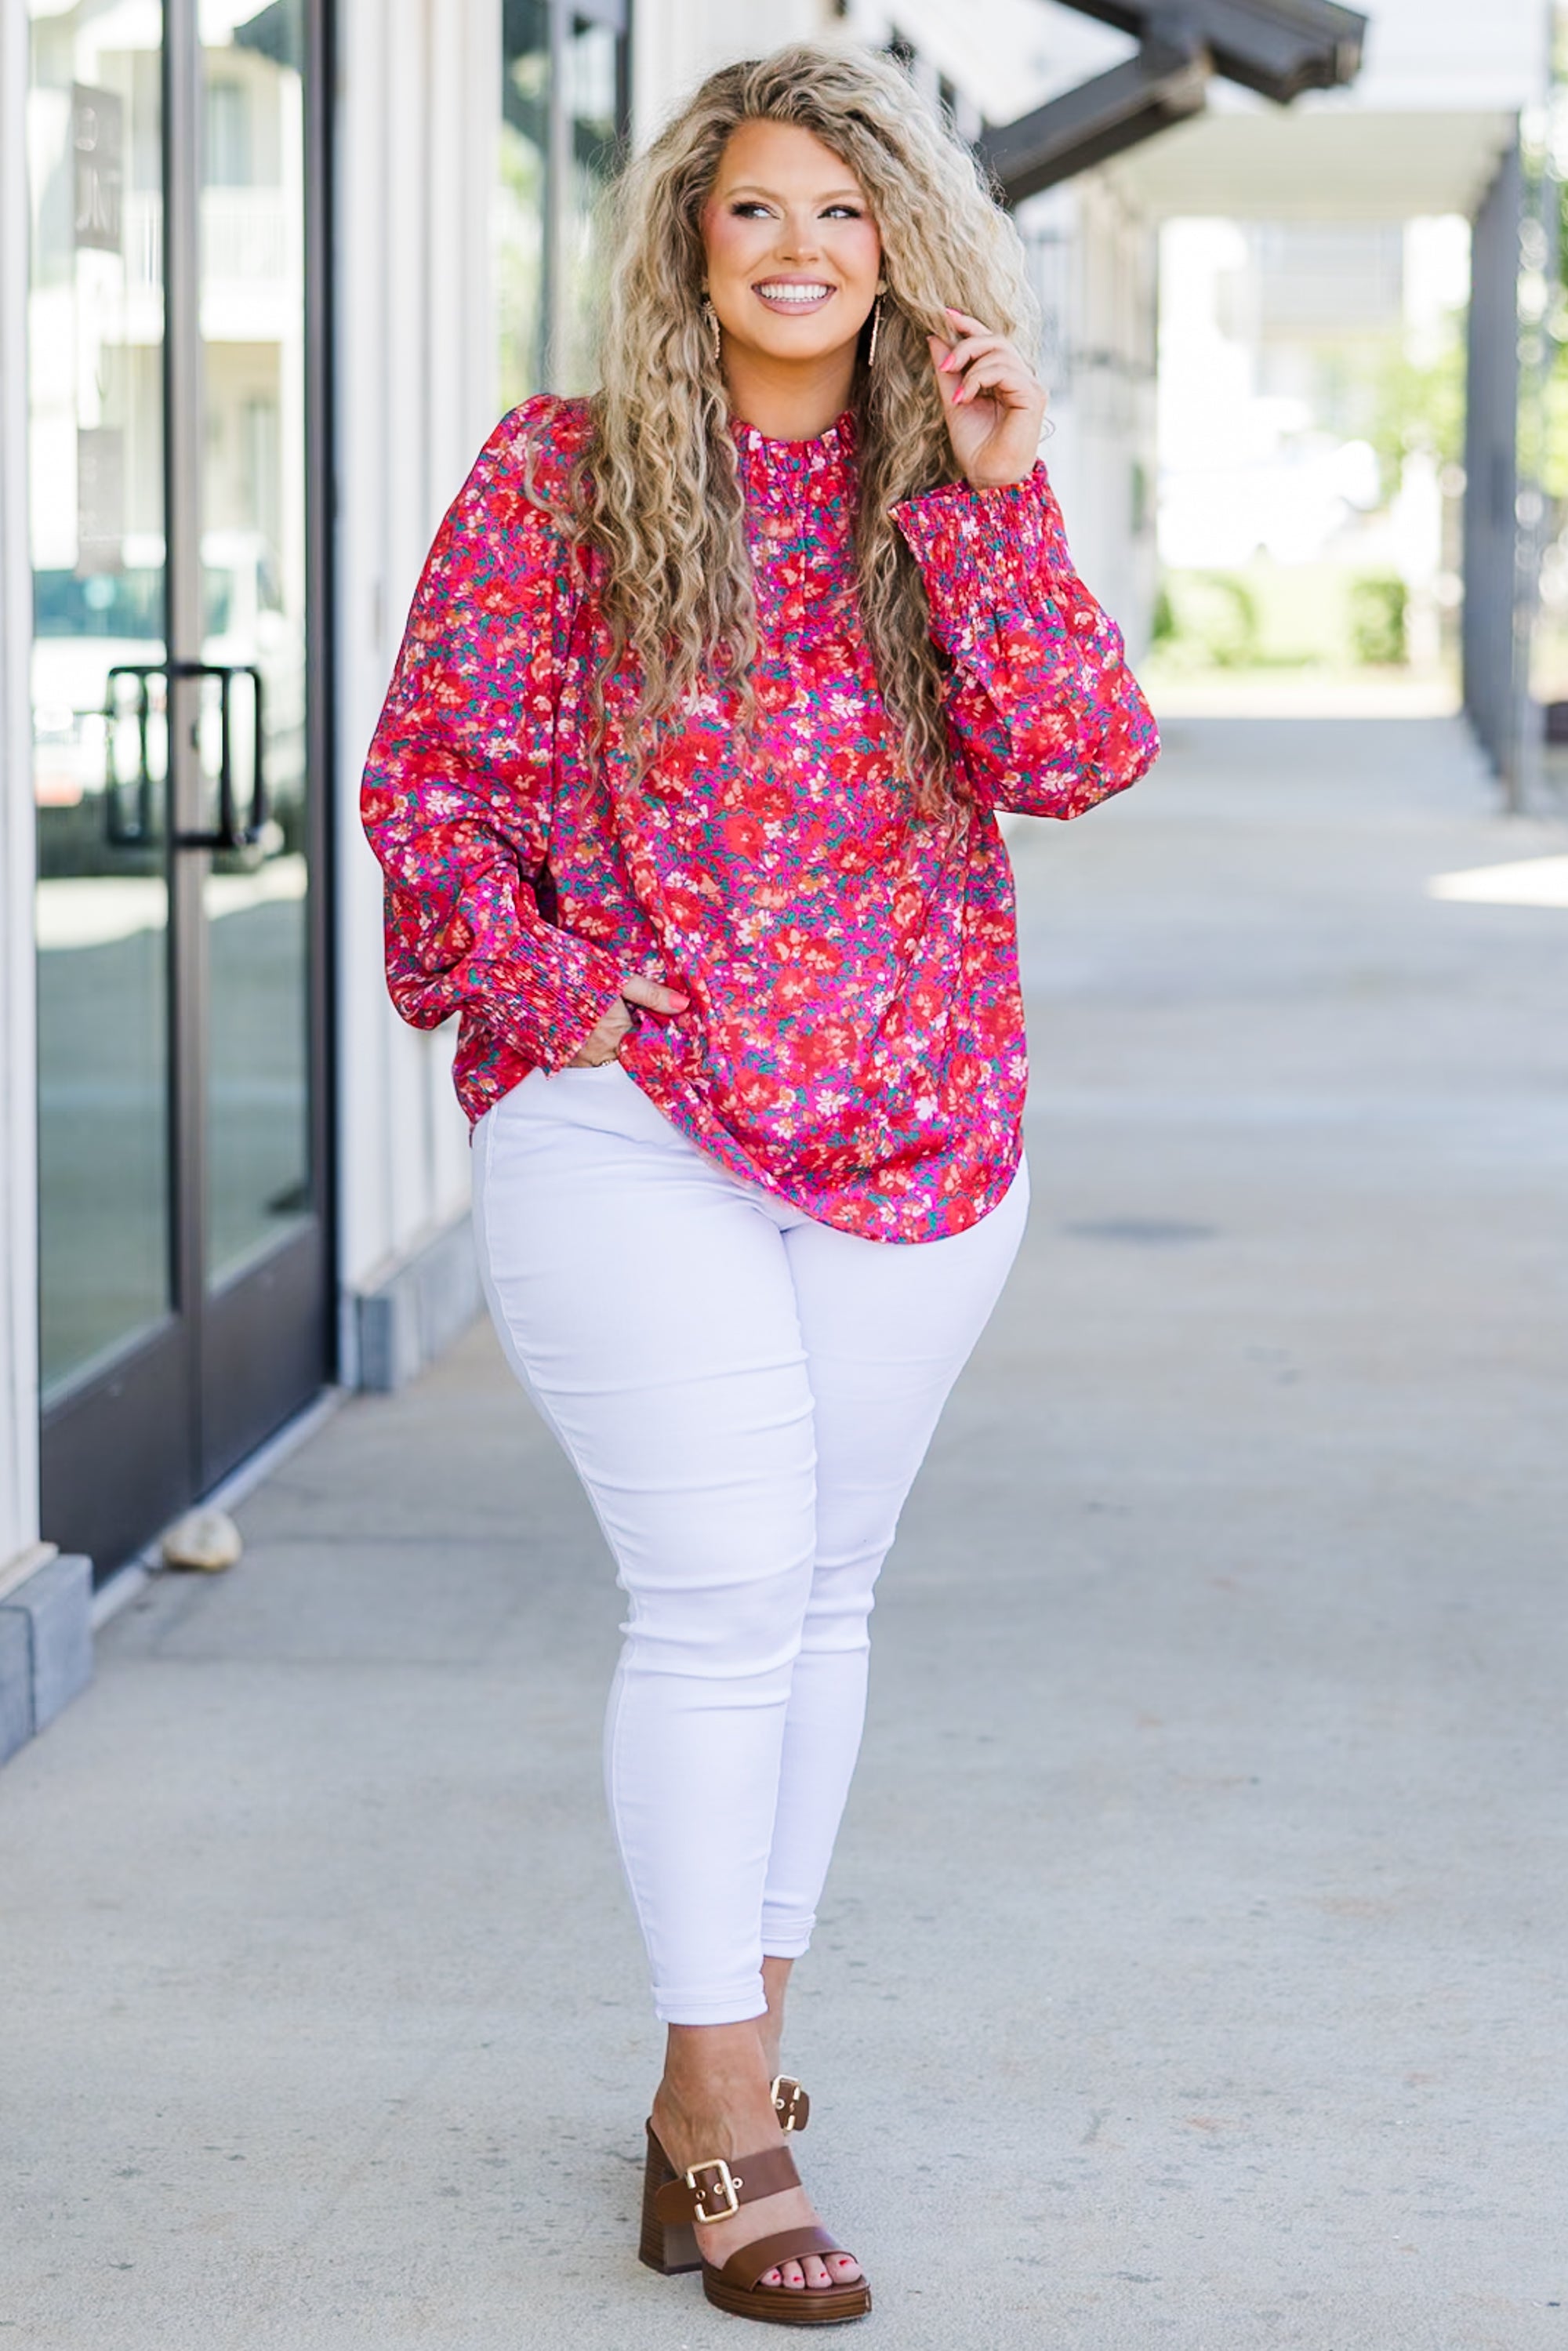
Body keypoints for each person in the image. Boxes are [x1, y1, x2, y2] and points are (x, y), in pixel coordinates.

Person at [361, 38, 1157, 2327]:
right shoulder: (567, 476)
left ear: (906, 246)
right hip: (631, 1118)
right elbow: (431, 790)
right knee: (720, 1592)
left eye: (845, 211)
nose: (801, 251)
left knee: (822, 1596)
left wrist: (1000, 501)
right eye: (755, 212)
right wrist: (564, 1001)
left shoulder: (949, 485)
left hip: (917, 1129)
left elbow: (1077, 759)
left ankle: (732, 2077)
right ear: (690, 246)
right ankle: (722, 2118)